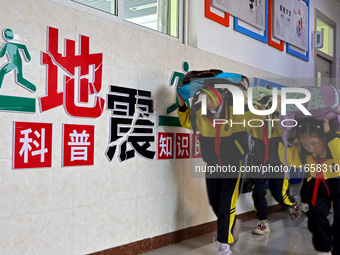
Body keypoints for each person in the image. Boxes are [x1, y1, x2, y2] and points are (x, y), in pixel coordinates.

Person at [176, 72, 253, 255]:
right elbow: (188, 122)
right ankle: (232, 226)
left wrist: (244, 100)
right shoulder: (201, 113)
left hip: (234, 162)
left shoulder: (236, 109)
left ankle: (224, 245)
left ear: (224, 94)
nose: (207, 102)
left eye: (211, 97)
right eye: (204, 98)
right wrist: (181, 103)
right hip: (212, 162)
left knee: (227, 203)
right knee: (215, 201)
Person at [278, 118, 340, 255]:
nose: (310, 148)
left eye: (314, 143)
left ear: (324, 136)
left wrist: (330, 135)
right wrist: (286, 138)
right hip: (316, 184)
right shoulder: (304, 151)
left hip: (337, 182)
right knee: (314, 215)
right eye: (305, 145)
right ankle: (323, 249)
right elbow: (289, 160)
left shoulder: (334, 141)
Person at [246, 88, 300, 235]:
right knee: (258, 190)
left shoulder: (283, 113)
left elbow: (289, 129)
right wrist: (261, 111)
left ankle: (292, 203)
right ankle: (263, 222)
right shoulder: (254, 112)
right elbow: (249, 125)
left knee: (279, 194)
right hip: (259, 156)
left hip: (278, 158)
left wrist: (278, 110)